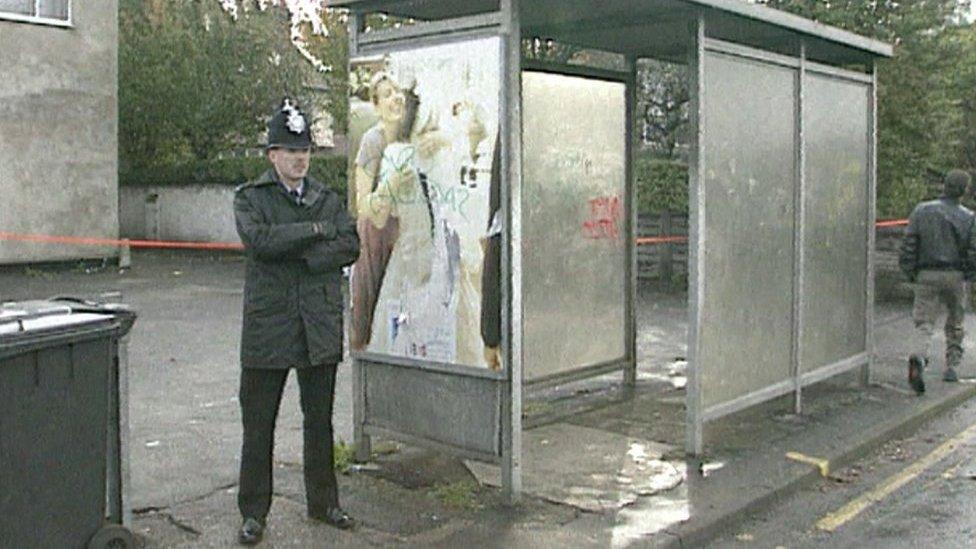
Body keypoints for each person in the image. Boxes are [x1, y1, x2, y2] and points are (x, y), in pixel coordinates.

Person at [232, 99, 360, 545]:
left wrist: (307, 255)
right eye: (290, 151)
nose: (300, 158)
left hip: (317, 325)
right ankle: (253, 512)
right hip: (270, 327)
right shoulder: (252, 198)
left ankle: (324, 502)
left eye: (305, 150)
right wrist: (313, 233)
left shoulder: (327, 199)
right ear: (272, 155)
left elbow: (350, 244)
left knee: (319, 421)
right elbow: (261, 241)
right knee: (259, 424)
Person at [899, 169, 976, 395]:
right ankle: (952, 365)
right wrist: (969, 275)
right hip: (954, 274)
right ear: (964, 191)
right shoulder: (969, 218)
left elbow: (909, 243)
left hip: (926, 273)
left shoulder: (922, 211)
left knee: (923, 321)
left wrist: (910, 271)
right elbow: (973, 251)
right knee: (955, 321)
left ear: (944, 186)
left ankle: (918, 357)